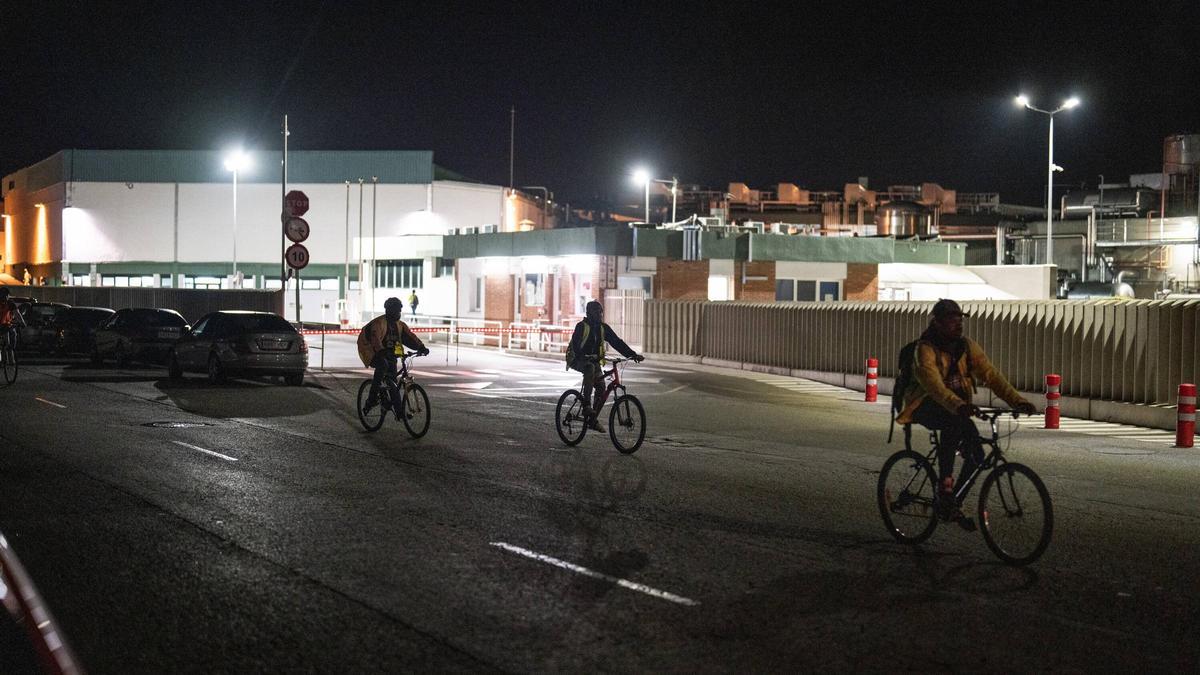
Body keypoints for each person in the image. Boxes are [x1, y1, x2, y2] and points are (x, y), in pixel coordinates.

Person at [895, 299, 1037, 529]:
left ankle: (953, 504)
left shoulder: (966, 347)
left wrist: (1018, 401)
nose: (959, 324)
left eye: (960, 319)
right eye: (953, 319)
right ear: (938, 322)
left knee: (977, 457)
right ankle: (946, 486)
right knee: (952, 422)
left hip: (956, 408)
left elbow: (991, 376)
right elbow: (934, 386)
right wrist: (959, 405)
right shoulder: (925, 349)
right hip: (924, 405)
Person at [566, 300, 644, 432]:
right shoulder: (581, 326)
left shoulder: (603, 328)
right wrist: (584, 356)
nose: (600, 314)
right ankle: (586, 406)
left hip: (593, 360)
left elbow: (616, 342)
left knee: (601, 387)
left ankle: (592, 419)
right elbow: (576, 345)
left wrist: (633, 354)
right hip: (577, 358)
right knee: (589, 368)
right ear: (589, 313)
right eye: (597, 311)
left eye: (601, 311)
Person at [357, 297, 429, 419]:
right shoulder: (379, 323)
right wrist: (381, 352)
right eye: (396, 311)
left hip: (387, 351)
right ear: (388, 311)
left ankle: (399, 412)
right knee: (383, 365)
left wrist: (421, 347)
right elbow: (375, 340)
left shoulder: (400, 325)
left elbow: (409, 338)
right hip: (368, 348)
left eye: (399, 311)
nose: (398, 313)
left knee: (393, 382)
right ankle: (372, 398)